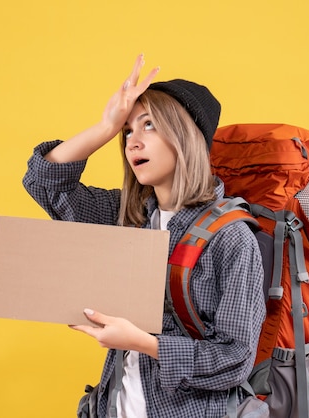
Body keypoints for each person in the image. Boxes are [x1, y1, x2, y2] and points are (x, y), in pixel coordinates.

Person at [22, 54, 266, 418]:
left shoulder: (231, 238)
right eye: (127, 131)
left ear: (186, 137)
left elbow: (234, 360)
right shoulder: (129, 218)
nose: (132, 142)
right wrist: (106, 126)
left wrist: (142, 343)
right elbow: (44, 182)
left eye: (149, 125)